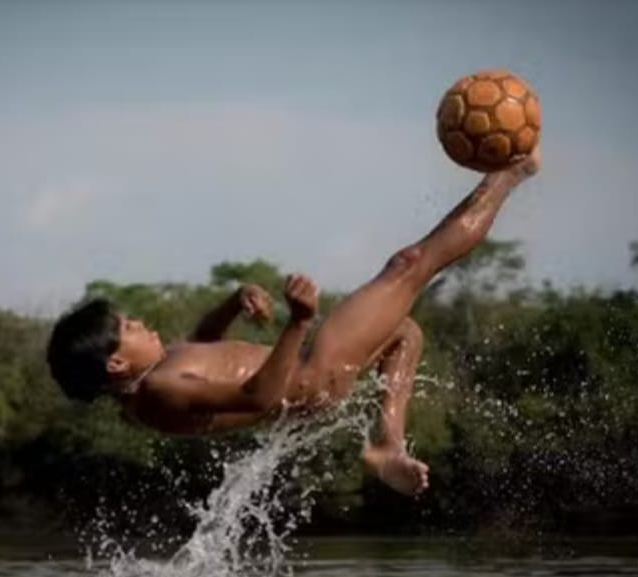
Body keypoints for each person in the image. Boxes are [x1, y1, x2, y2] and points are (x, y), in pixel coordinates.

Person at [47, 148, 541, 497]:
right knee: (410, 265)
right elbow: (258, 397)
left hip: (313, 376)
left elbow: (198, 345)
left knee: (404, 332)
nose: (141, 324)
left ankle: (387, 444)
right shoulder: (159, 391)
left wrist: (232, 303)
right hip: (311, 372)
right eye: (129, 327)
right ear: (115, 363)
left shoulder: (153, 381)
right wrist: (298, 323)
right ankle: (511, 171)